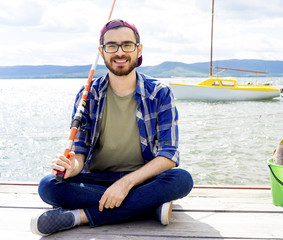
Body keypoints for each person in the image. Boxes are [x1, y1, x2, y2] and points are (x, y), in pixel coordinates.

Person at [30, 19, 193, 236]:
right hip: (98, 178)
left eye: (127, 45)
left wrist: (126, 183)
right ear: (102, 51)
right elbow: (80, 153)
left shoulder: (160, 93)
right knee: (49, 185)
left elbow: (169, 155)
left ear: (138, 49)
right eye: (111, 46)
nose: (120, 52)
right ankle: (148, 206)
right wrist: (72, 167)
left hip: (142, 179)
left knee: (181, 179)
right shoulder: (88, 95)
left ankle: (81, 217)